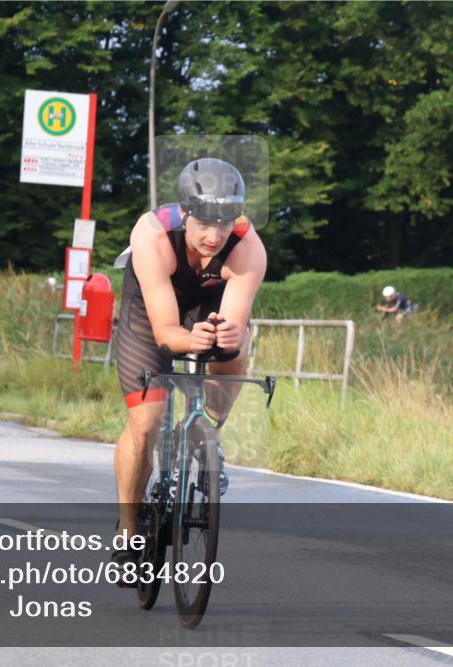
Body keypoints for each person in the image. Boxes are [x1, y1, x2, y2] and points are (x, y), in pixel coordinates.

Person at [111, 158, 267, 574]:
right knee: (146, 422)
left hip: (207, 302)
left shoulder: (248, 246)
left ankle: (208, 434)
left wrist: (228, 337)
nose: (214, 236)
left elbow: (235, 320)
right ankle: (127, 530)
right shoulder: (153, 234)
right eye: (204, 224)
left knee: (234, 349)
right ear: (184, 213)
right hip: (150, 313)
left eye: (224, 224)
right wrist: (186, 338)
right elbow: (165, 331)